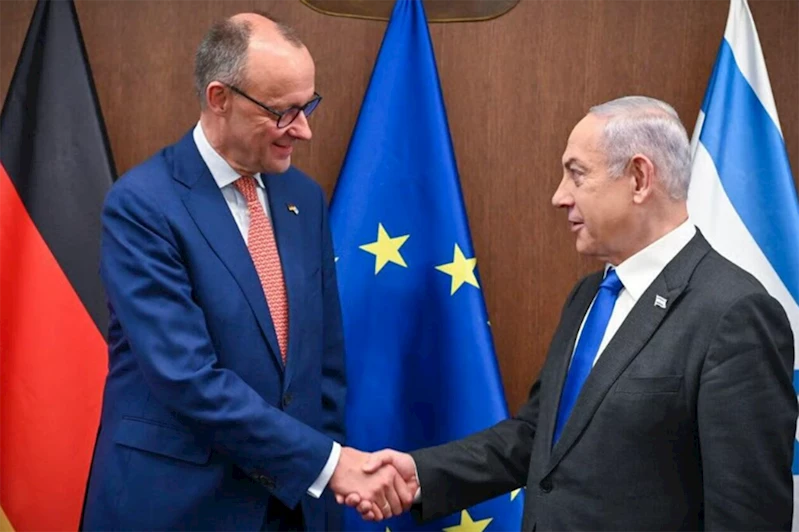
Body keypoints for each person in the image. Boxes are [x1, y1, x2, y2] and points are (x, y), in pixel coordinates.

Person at [354, 96, 797, 530]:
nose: (558, 196)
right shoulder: (590, 295)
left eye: (577, 174)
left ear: (639, 178)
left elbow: (746, 513)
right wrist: (422, 475)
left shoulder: (734, 312)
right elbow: (541, 436)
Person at [82, 12, 413, 532]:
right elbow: (188, 379)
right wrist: (330, 466)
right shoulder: (143, 206)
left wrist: (326, 496)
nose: (303, 129)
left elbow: (322, 368)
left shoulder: (303, 198)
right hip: (181, 508)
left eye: (308, 106)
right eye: (283, 113)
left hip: (294, 506)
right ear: (220, 98)